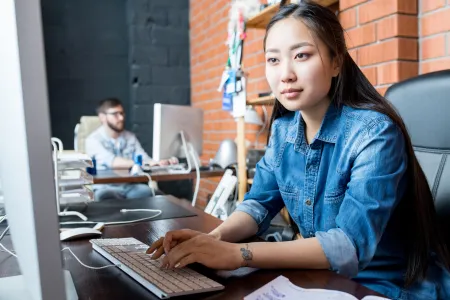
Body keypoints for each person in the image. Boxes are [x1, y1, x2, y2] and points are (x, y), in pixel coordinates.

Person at [146, 2, 450, 299]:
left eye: (301, 55)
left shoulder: (374, 133)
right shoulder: (283, 130)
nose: (285, 74)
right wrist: (213, 239)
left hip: (385, 286)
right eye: (273, 60)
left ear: (335, 62)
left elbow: (348, 245)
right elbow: (258, 204)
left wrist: (238, 254)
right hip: (322, 280)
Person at [85, 97, 178, 201]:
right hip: (105, 187)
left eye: (122, 113)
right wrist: (142, 163)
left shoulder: (130, 137)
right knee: (107, 199)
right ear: (102, 117)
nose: (121, 118)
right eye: (115, 114)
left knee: (158, 198)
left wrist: (157, 163)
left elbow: (144, 158)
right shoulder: (93, 140)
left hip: (129, 186)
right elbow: (113, 162)